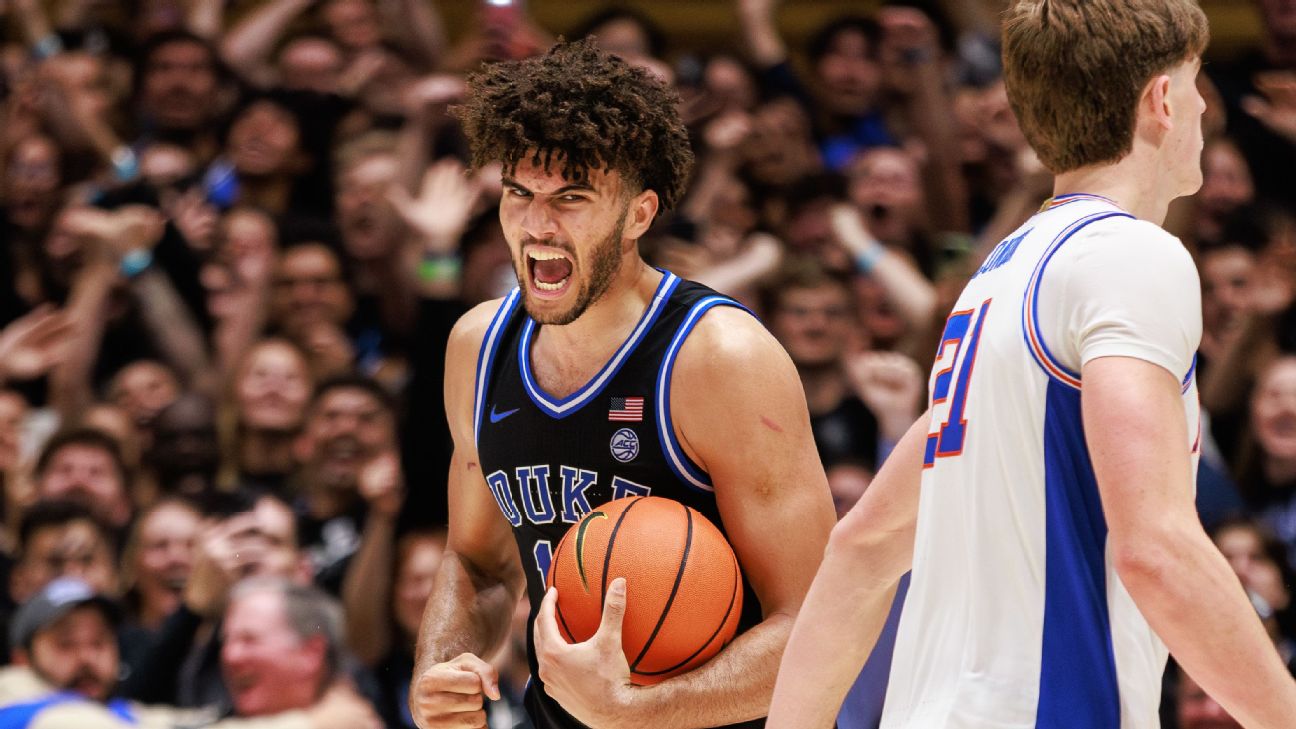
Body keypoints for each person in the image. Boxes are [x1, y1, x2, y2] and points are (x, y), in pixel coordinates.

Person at [767, 2, 1296, 728]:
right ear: (1162, 100)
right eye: (1195, 81)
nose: (1206, 106)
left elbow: (862, 546)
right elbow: (1156, 547)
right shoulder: (1131, 256)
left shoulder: (999, 277)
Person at [408, 38, 835, 729]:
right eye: (519, 193)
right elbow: (480, 565)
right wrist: (441, 666)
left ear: (639, 214)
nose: (537, 224)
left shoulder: (719, 359)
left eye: (571, 198)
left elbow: (820, 624)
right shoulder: (478, 347)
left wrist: (638, 710)